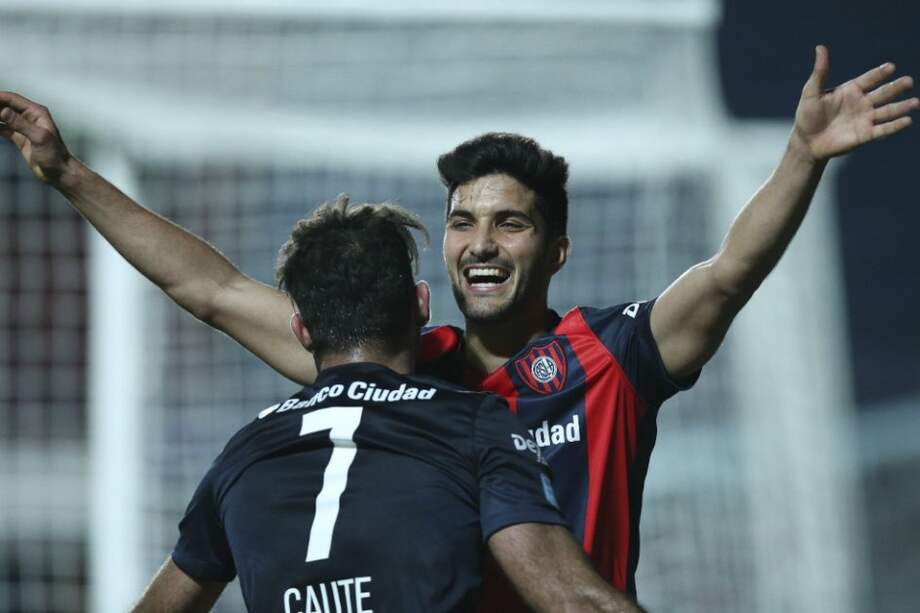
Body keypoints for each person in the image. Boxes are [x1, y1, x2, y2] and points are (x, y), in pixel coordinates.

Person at [1, 45, 916, 604]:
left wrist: (800, 158)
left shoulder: (609, 355)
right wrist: (70, 175)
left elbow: (725, 278)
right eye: (462, 220)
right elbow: (212, 290)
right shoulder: (395, 366)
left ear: (554, 249)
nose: (480, 242)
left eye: (509, 221)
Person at [128, 196, 641, 613]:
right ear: (421, 305)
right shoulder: (473, 421)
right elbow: (574, 603)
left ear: (302, 330)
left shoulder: (241, 455)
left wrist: (67, 171)